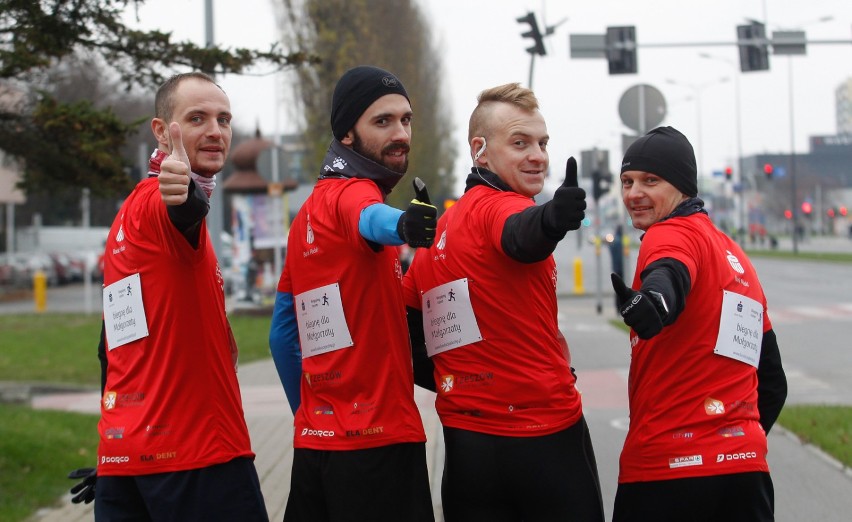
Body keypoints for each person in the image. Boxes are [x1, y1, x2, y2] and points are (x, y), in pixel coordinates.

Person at [402, 83, 604, 521]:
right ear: (480, 150)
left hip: (467, 448)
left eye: (542, 143)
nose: (538, 155)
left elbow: (407, 333)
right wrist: (552, 218)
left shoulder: (441, 230)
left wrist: (458, 381)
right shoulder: (500, 207)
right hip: (544, 440)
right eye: (520, 143)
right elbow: (521, 237)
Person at [79, 72, 267, 521]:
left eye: (224, 119)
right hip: (198, 459)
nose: (215, 131)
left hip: (126, 459)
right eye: (197, 118)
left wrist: (118, 448)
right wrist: (181, 194)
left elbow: (113, 343)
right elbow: (182, 208)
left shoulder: (127, 217)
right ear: (162, 131)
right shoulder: (160, 203)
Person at [268, 65, 437, 521]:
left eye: (406, 119)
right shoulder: (355, 192)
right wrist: (403, 224)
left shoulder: (305, 214)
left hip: (316, 448)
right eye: (382, 121)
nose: (400, 132)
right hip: (378, 444)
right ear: (346, 134)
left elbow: (282, 336)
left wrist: (310, 416)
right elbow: (368, 217)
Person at [610, 126, 788, 521]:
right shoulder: (733, 255)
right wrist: (735, 446)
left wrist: (654, 301)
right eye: (627, 181)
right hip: (744, 474)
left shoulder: (668, 233)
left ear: (683, 186)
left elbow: (669, 272)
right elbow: (773, 382)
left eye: (650, 180)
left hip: (667, 473)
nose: (633, 193)